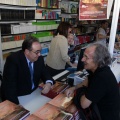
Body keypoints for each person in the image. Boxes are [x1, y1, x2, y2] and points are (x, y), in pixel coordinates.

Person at [65, 43, 120, 120]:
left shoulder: (102, 77)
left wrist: (77, 91)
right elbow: (86, 82)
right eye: (84, 55)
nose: (82, 59)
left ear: (97, 60)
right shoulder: (97, 69)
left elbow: (84, 104)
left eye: (86, 57)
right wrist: (73, 88)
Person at [1, 36, 55, 104]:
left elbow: (45, 73)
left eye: (40, 51)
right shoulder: (13, 60)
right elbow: (9, 87)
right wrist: (17, 105)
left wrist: (48, 83)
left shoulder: (39, 59)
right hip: (18, 96)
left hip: (33, 94)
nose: (39, 54)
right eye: (37, 52)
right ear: (27, 52)